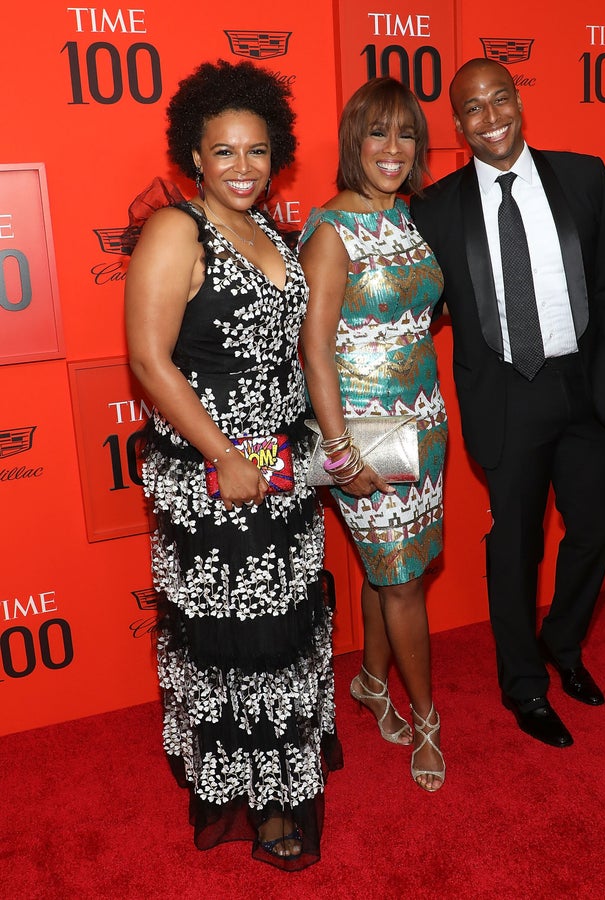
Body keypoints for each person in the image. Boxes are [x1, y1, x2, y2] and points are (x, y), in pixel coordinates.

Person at [124, 59, 341, 870]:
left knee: (286, 635)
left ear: (276, 152)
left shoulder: (278, 235)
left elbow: (296, 357)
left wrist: (322, 450)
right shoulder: (176, 230)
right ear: (195, 157)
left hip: (284, 478)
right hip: (216, 482)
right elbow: (149, 361)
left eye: (257, 151)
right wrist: (223, 455)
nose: (243, 167)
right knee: (237, 643)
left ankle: (287, 770)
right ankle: (259, 802)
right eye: (224, 152)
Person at [411, 59, 605, 748]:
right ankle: (524, 687)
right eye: (472, 109)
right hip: (506, 394)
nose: (489, 117)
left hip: (583, 383)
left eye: (498, 99)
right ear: (457, 125)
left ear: (518, 102)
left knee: (598, 523)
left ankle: (561, 648)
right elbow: (402, 297)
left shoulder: (584, 175)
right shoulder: (435, 208)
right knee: (515, 544)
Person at [298, 77, 447, 792]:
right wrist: (338, 450)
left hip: (425, 421)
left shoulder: (415, 218)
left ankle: (367, 680)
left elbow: (424, 309)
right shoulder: (331, 229)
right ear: (354, 141)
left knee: (395, 571)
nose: (393, 149)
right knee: (404, 584)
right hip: (364, 431)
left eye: (406, 134)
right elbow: (313, 349)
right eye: (378, 133)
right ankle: (425, 721)